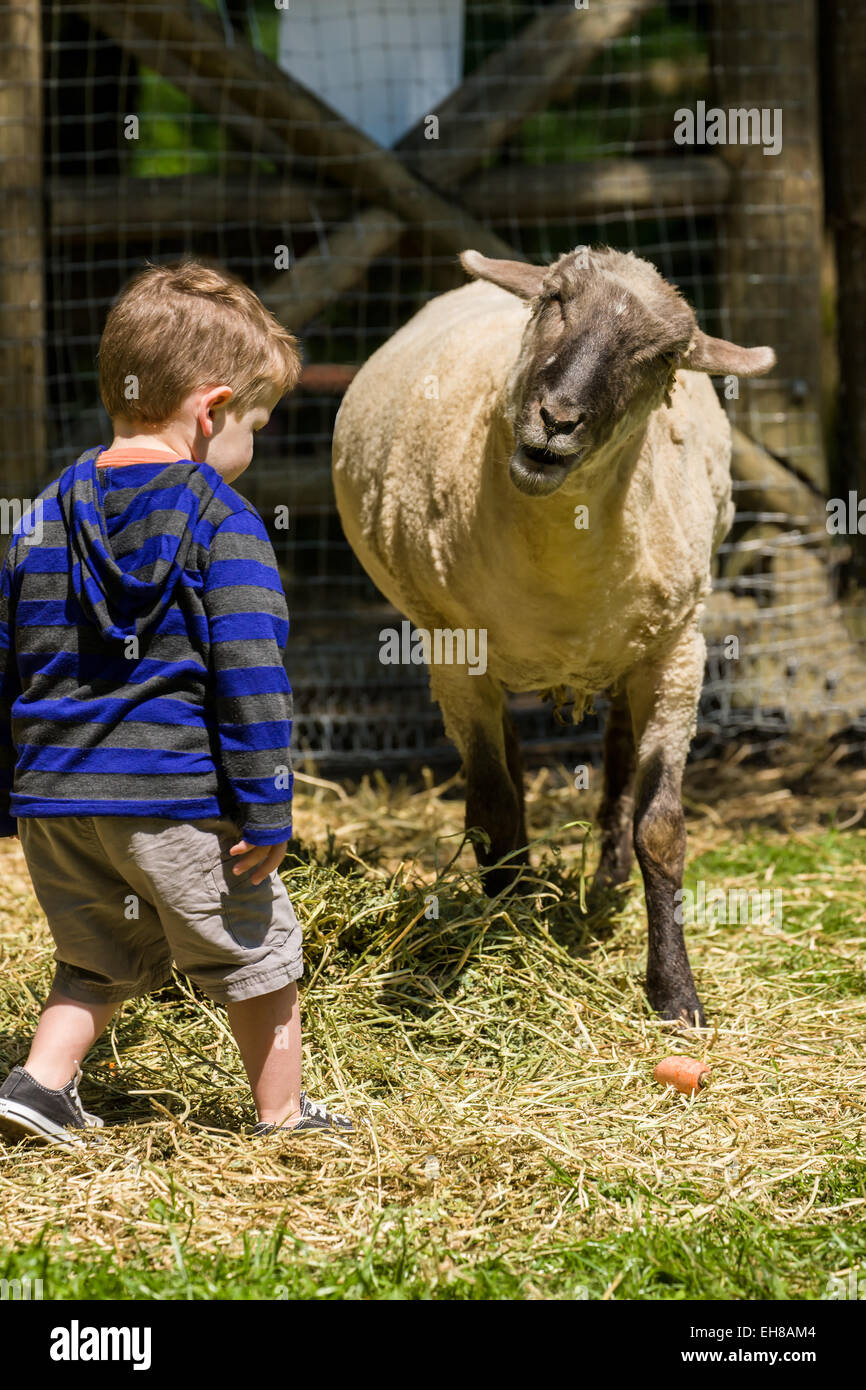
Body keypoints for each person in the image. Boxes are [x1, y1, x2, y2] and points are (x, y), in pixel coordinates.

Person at [0, 259, 352, 1148]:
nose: (252, 446)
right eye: (255, 424)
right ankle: (282, 1115)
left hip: (56, 803)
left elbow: (11, 657)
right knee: (259, 948)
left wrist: (14, 792)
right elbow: (250, 674)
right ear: (211, 409)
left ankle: (42, 1083)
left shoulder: (42, 513)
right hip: (172, 801)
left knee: (98, 956)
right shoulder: (223, 522)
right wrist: (267, 805)